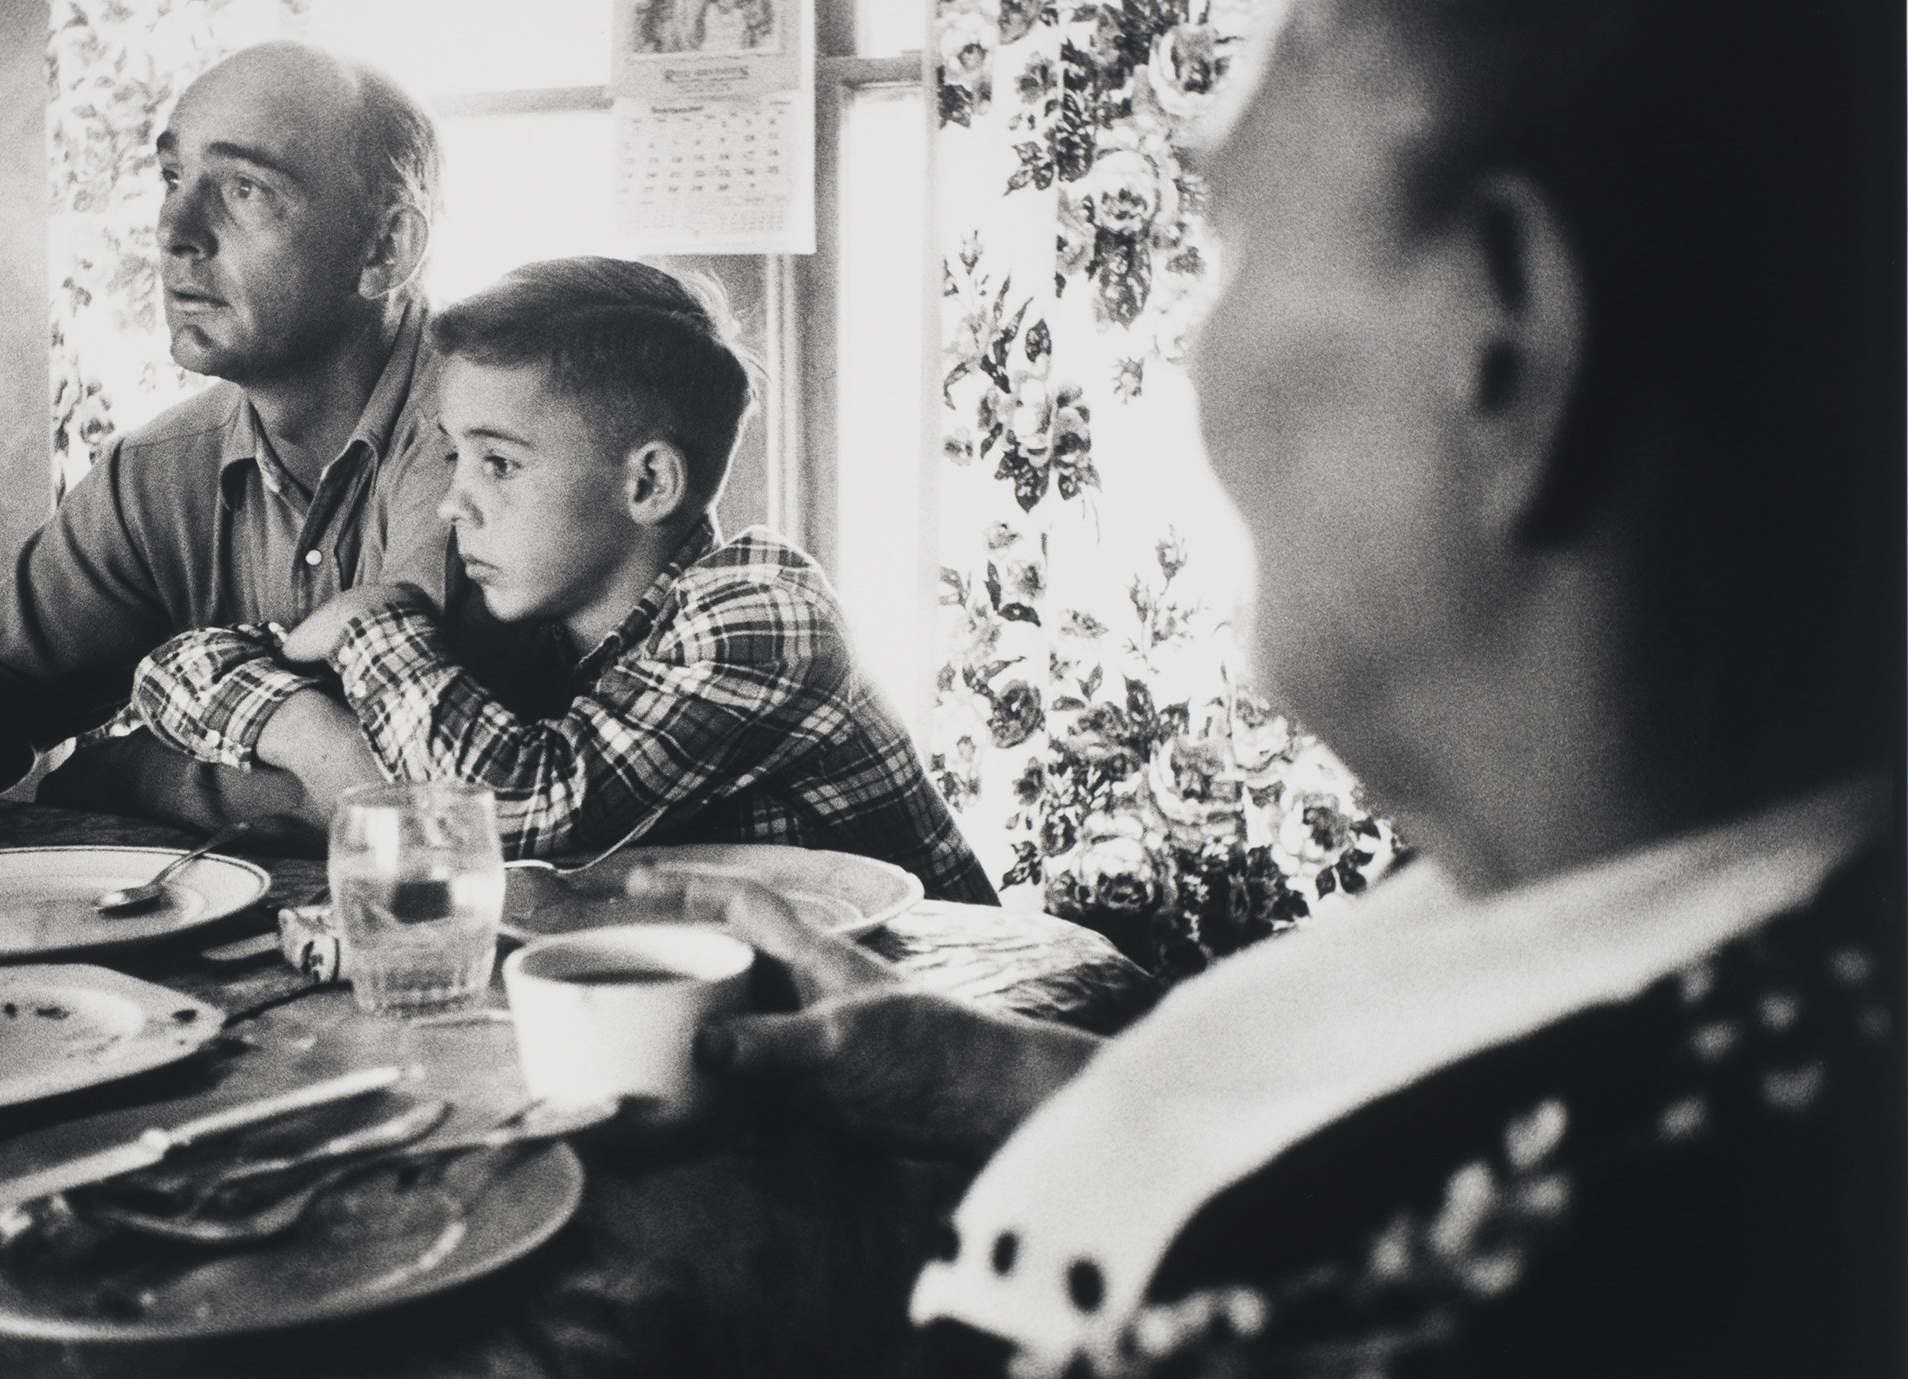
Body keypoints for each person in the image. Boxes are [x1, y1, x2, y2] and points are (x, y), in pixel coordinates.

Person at [633, 0, 1905, 1373]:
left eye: (1228, 242)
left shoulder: (1397, 1311)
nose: (1196, 361)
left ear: (1508, 337)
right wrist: (995, 1076)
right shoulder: (1656, 885)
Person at [0, 42, 534, 840]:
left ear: (383, 249)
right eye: (173, 178)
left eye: (245, 188)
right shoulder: (160, 468)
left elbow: (399, 792)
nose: (175, 230)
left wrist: (123, 773)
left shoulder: (490, 451)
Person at [129, 257, 1001, 904]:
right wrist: (307, 728)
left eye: (500, 463)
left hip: (947, 1017)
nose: (450, 506)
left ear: (648, 484)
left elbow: (520, 819)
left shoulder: (762, 610)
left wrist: (367, 629)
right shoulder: (527, 607)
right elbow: (172, 673)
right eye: (454, 455)